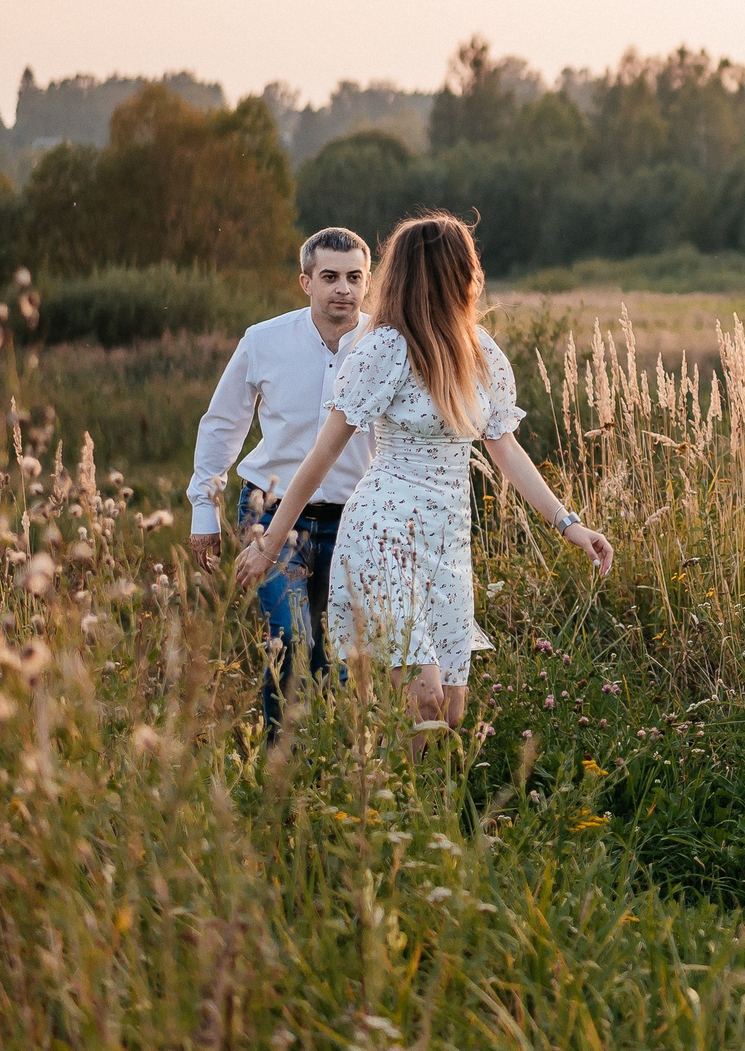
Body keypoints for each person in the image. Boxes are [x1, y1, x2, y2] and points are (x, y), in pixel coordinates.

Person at [233, 213, 612, 735]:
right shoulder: (384, 349)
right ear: (444, 272)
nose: (471, 276)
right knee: (424, 700)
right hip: (384, 535)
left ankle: (419, 808)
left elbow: (506, 449)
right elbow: (318, 459)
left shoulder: (480, 352)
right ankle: (395, 811)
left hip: (448, 540)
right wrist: (271, 543)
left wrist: (570, 524)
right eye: (464, 265)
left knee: (452, 712)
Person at [189, 226, 375, 740]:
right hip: (269, 514)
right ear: (305, 282)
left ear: (368, 282)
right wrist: (204, 513)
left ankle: (334, 764)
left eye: (354, 278)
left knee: (340, 652)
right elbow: (223, 426)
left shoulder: (385, 347)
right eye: (330, 277)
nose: (343, 289)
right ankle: (279, 764)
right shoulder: (263, 341)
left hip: (353, 519)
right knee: (291, 638)